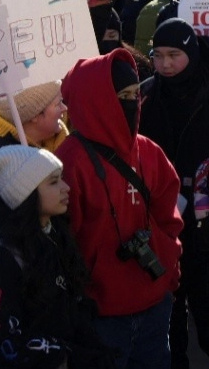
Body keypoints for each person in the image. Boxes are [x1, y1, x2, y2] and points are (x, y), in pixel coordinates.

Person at [57, 49, 185, 369]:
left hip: (154, 307)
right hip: (100, 316)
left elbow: (170, 221)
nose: (133, 103)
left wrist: (169, 276)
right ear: (98, 100)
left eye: (135, 95)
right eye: (122, 96)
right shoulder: (70, 160)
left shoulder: (149, 151)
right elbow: (64, 241)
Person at [137, 20, 209, 369]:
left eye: (174, 55)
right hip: (160, 216)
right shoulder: (145, 96)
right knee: (167, 312)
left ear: (191, 52)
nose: (165, 64)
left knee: (208, 312)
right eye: (158, 55)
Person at [0, 144, 106, 369]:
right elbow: (0, 342)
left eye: (61, 178)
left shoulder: (54, 237)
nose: (66, 187)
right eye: (53, 182)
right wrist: (63, 357)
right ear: (26, 194)